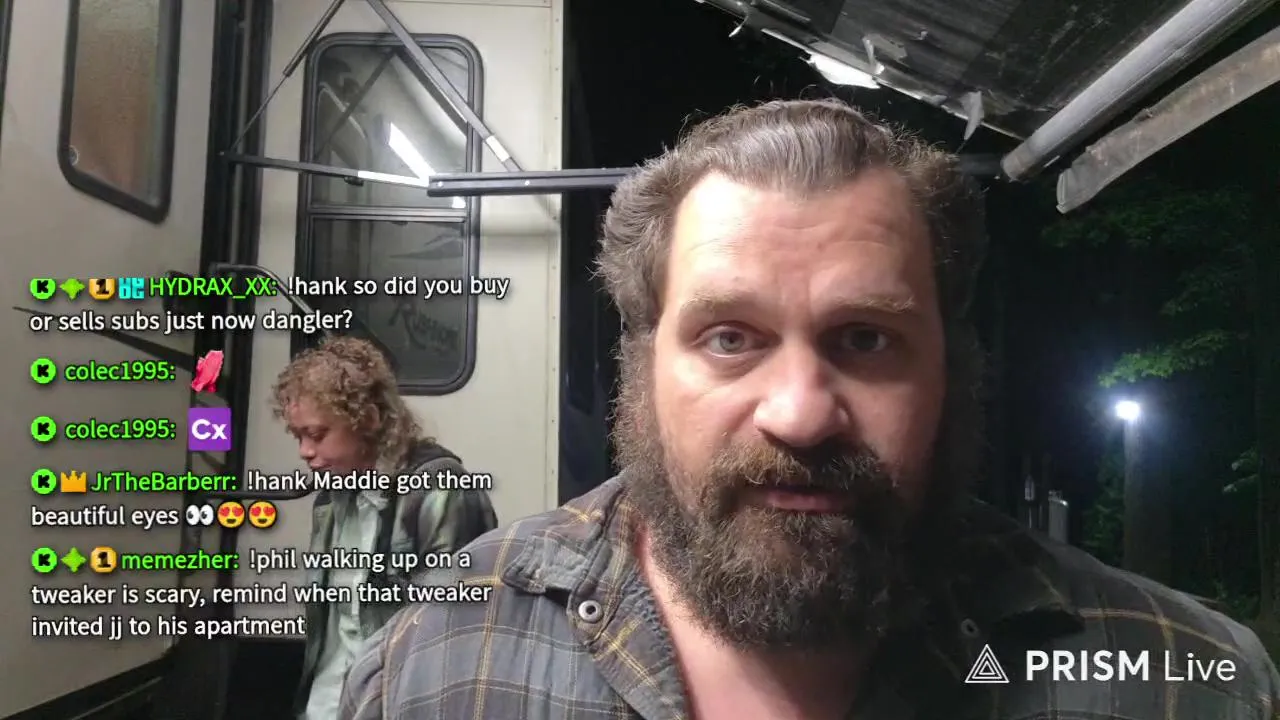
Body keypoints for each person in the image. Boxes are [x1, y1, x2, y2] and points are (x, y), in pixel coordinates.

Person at [338, 100, 1280, 719]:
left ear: (950, 367)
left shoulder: (1185, 685)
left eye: (866, 338)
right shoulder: (438, 661)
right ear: (643, 362)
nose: (799, 415)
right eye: (729, 337)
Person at [272, 336, 497, 719]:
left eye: (318, 434)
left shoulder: (438, 489)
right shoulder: (331, 499)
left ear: (369, 421)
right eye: (299, 436)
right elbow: (336, 632)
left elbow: (452, 624)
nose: (304, 452)